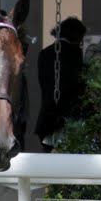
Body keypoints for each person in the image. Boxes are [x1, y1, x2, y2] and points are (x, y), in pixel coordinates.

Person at [34, 16, 87, 150]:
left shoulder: (44, 53)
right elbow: (78, 83)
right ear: (77, 36)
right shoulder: (75, 53)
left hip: (46, 119)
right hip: (68, 119)